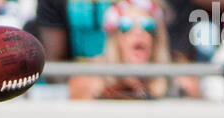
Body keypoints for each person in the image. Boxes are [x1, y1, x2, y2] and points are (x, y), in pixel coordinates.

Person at [68, 0, 198, 97]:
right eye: (126, 26)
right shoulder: (91, 82)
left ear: (157, 37)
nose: (138, 32)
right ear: (115, 37)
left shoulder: (180, 83)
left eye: (147, 26)